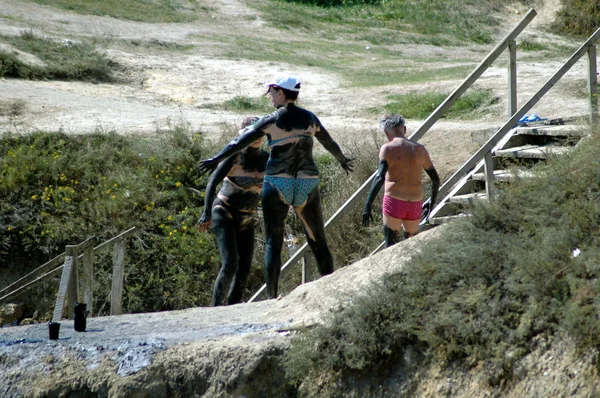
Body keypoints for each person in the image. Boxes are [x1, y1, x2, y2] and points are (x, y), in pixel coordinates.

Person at [199, 75, 353, 299]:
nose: (270, 96)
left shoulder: (272, 120)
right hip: (306, 181)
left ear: (281, 92)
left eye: (271, 92)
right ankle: (331, 290)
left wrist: (216, 158)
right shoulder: (310, 118)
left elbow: (238, 142)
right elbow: (328, 142)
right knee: (318, 239)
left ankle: (272, 298)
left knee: (274, 241)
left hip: (279, 180)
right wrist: (342, 160)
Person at [197, 116, 269, 306]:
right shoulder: (234, 156)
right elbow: (213, 181)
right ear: (242, 134)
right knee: (230, 265)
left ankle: (232, 308)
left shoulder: (267, 159)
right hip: (224, 211)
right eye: (251, 133)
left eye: (259, 133)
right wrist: (206, 212)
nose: (256, 137)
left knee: (245, 268)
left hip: (248, 217)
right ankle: (215, 309)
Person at [362, 114, 440, 247]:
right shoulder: (420, 149)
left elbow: (380, 177)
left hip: (395, 202)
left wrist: (367, 205)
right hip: (415, 203)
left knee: (391, 247)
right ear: (404, 129)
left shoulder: (387, 148)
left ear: (387, 133)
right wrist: (432, 202)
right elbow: (435, 179)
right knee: (412, 246)